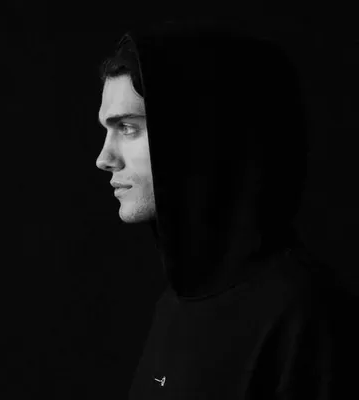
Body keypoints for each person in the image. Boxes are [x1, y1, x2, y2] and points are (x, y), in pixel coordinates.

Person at [96, 18, 352, 400]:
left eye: (128, 128)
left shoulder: (305, 315)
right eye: (107, 129)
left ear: (197, 134)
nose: (104, 158)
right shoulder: (175, 303)